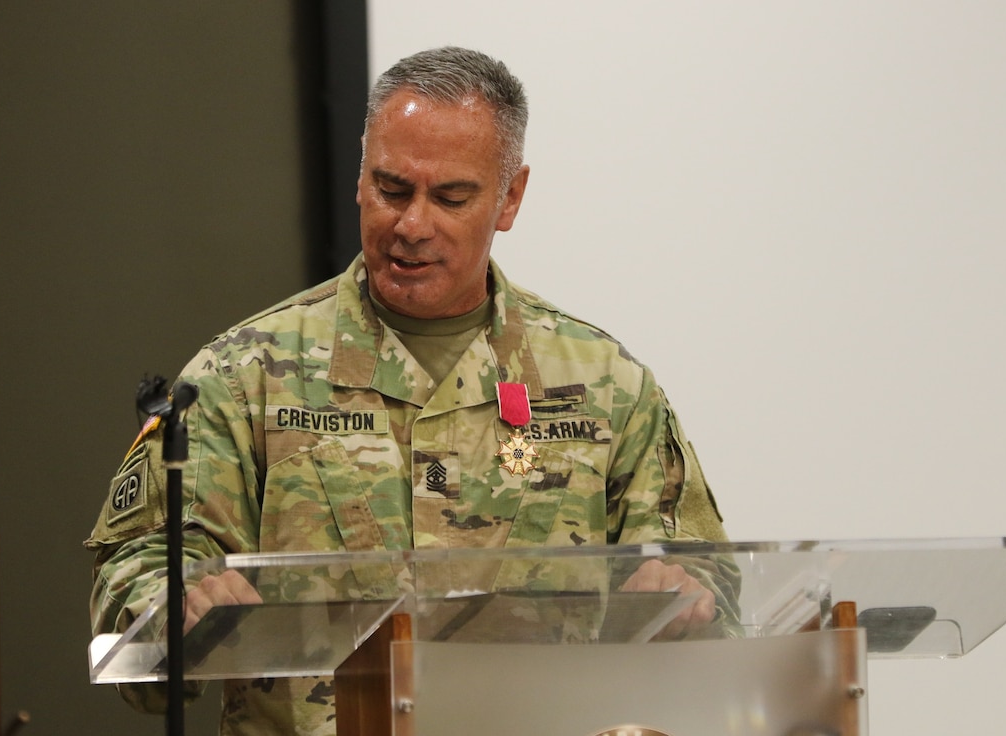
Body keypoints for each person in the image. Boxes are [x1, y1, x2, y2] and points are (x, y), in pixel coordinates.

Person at [86, 46, 739, 735]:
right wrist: (174, 600)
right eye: (392, 188)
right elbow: (139, 583)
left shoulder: (605, 385)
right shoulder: (242, 376)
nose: (412, 225)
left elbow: (708, 585)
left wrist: (687, 595)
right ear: (360, 180)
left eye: (451, 197)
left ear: (510, 197)